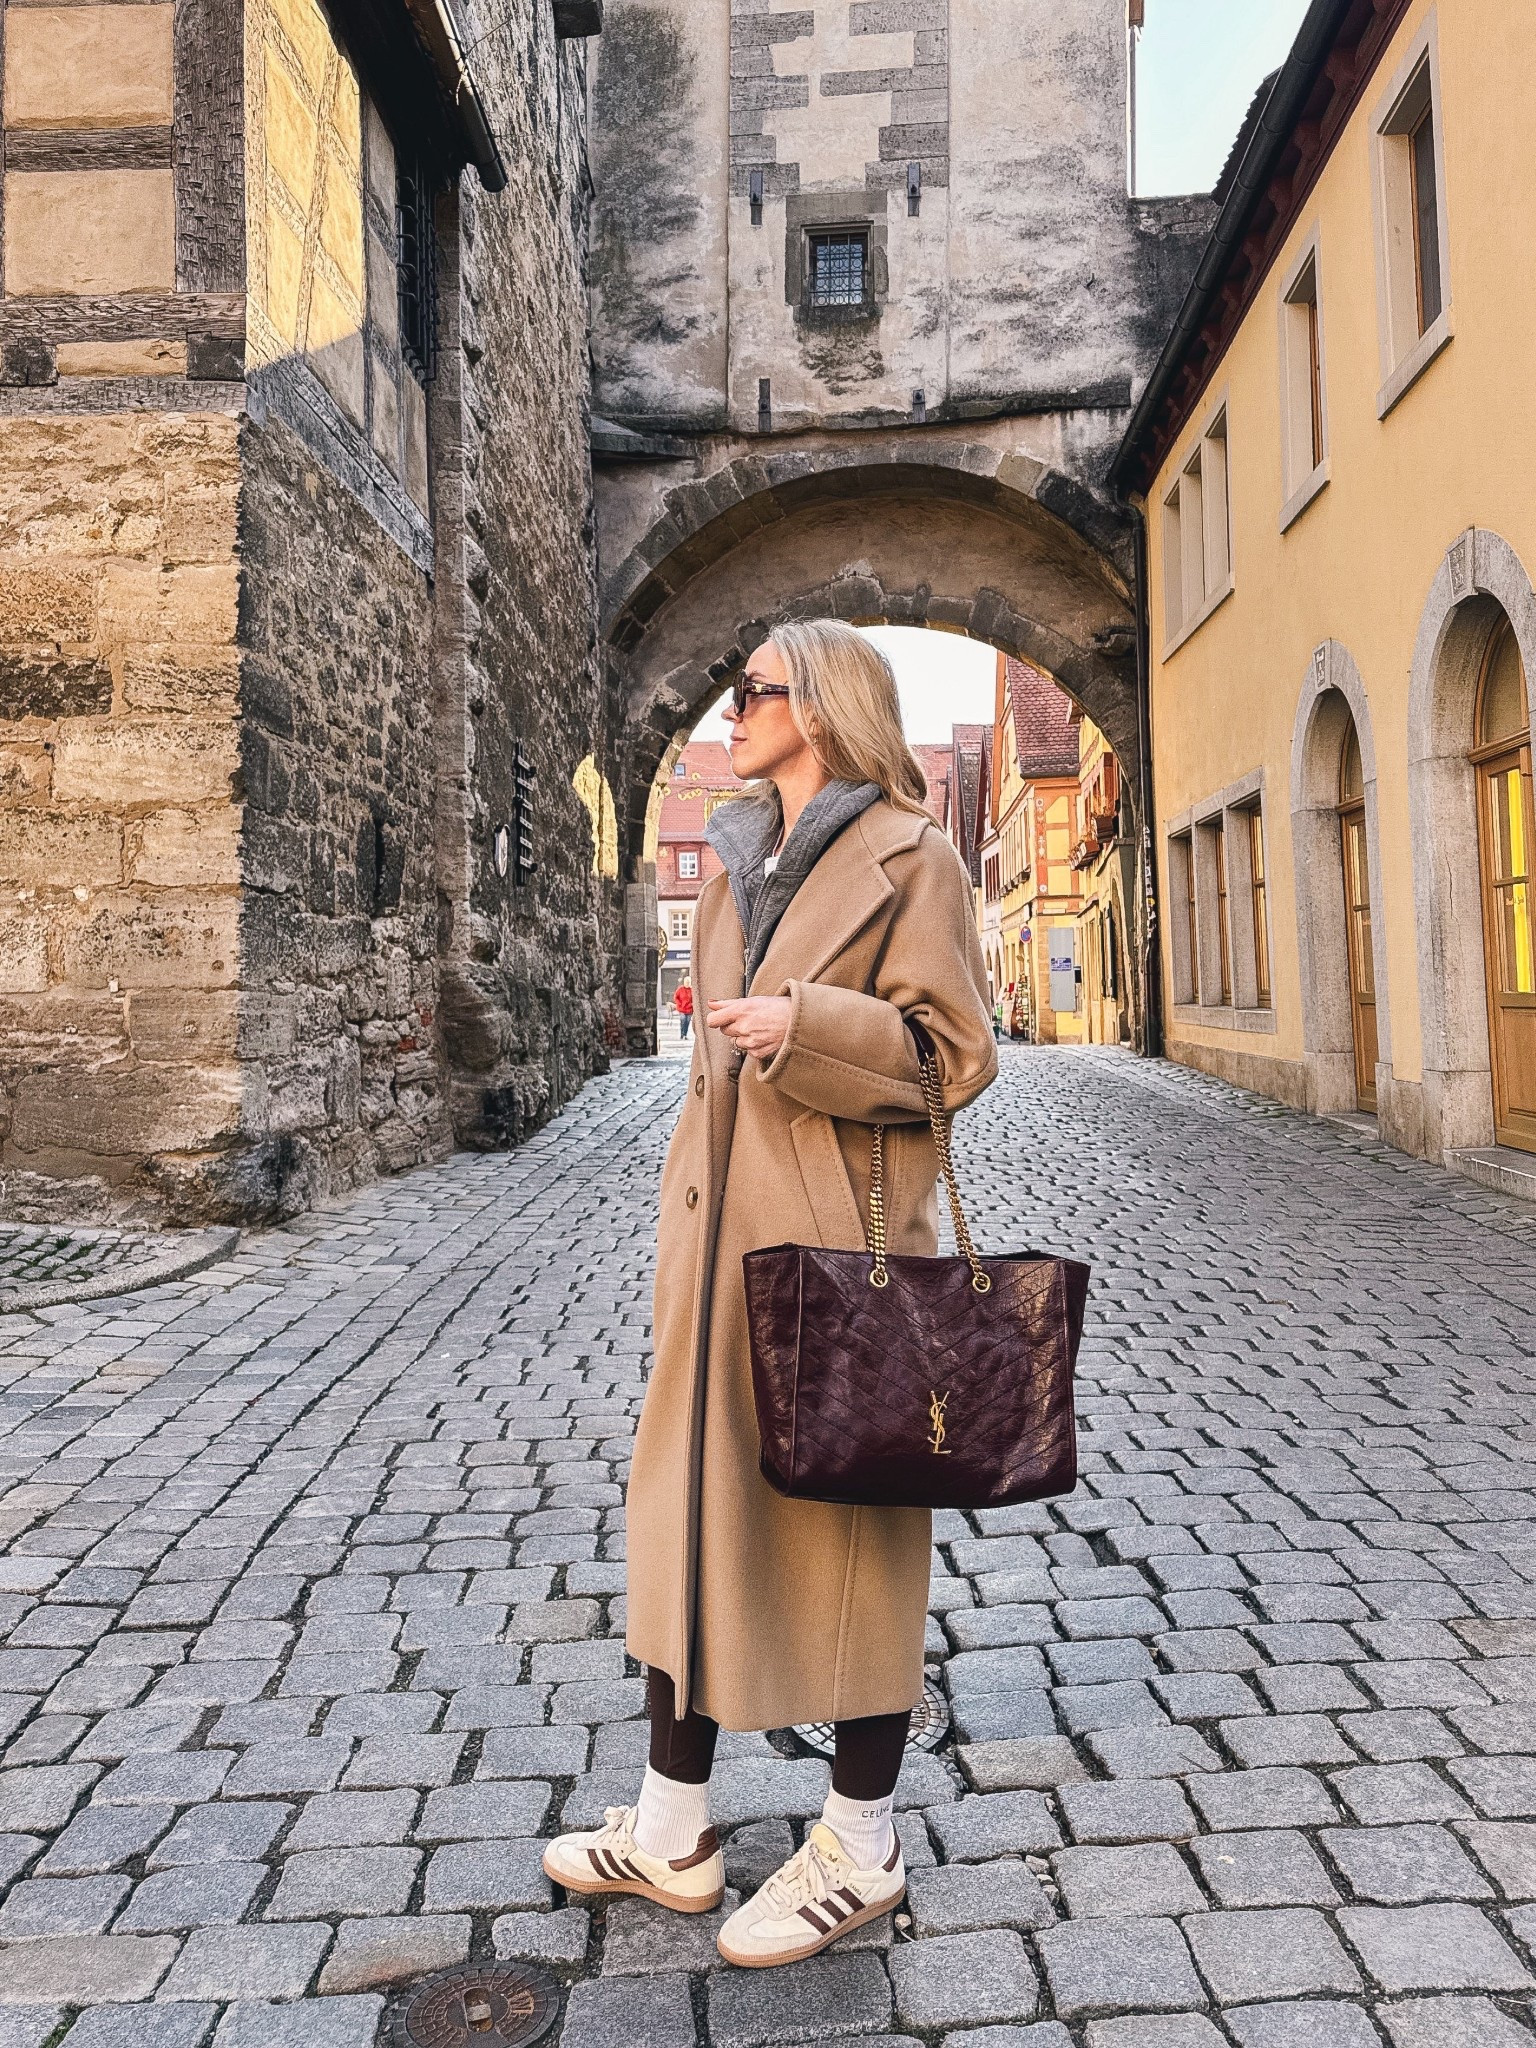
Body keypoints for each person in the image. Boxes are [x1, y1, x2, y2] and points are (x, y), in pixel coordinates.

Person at [544, 620, 997, 1966]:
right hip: (714, 1250)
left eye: (754, 692)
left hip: (838, 1253)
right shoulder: (736, 861)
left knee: (850, 1539)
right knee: (685, 1516)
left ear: (829, 706)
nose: (730, 711)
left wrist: (811, 1028)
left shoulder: (917, 857)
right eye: (733, 690)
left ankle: (859, 1845)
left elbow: (954, 1056)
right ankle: (675, 1826)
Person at [673, 973, 694, 1040]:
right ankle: (682, 1034)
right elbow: (676, 997)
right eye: (686, 982)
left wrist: (692, 1004)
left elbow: (694, 999)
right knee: (683, 1020)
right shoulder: (680, 989)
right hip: (682, 1008)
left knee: (687, 1022)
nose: (687, 983)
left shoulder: (692, 990)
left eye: (688, 982)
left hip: (689, 1009)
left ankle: (685, 1034)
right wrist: (679, 1003)